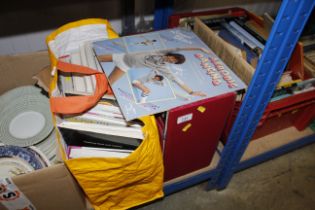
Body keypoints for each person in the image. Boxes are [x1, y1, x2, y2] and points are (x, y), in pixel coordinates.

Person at [97, 47, 211, 97]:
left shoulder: (162, 67)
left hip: (124, 65)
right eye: (174, 58)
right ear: (171, 55)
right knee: (95, 58)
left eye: (175, 62)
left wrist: (191, 92)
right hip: (121, 56)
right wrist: (199, 49)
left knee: (107, 84)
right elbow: (181, 48)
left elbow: (177, 80)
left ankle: (94, 91)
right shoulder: (161, 52)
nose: (172, 60)